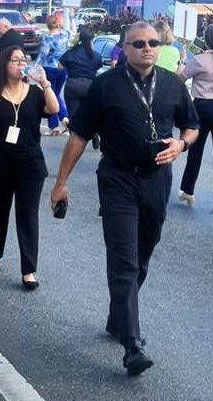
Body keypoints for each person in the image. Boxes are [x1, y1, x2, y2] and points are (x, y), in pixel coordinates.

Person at [49, 21, 199, 376]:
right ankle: (132, 344)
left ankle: (119, 317)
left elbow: (191, 126)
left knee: (142, 255)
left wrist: (181, 144)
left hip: (156, 181)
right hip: (117, 179)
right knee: (124, 260)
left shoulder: (173, 84)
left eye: (152, 43)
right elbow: (79, 136)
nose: (147, 48)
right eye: (138, 44)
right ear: (125, 49)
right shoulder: (106, 85)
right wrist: (60, 183)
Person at [0, 47, 58, 289]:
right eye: (16, 60)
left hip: (30, 162)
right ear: (4, 65)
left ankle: (29, 270)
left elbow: (52, 110)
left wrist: (45, 83)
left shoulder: (33, 91)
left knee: (27, 215)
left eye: (24, 60)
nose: (21, 64)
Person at [177, 23, 213, 214]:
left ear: (205, 38)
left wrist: (182, 60)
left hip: (201, 108)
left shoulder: (199, 60)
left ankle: (188, 190)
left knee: (196, 152)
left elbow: (180, 78)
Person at [59, 25, 104, 121]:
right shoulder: (96, 56)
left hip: (72, 85)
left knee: (73, 115)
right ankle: (91, 133)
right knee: (90, 113)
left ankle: (74, 134)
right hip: (89, 86)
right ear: (91, 41)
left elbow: (59, 67)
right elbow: (98, 67)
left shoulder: (70, 53)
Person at [37, 11, 70, 134]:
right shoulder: (65, 35)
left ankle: (56, 124)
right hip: (62, 68)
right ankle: (64, 118)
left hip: (49, 68)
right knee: (56, 94)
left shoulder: (47, 38)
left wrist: (35, 67)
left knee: (50, 95)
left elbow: (43, 54)